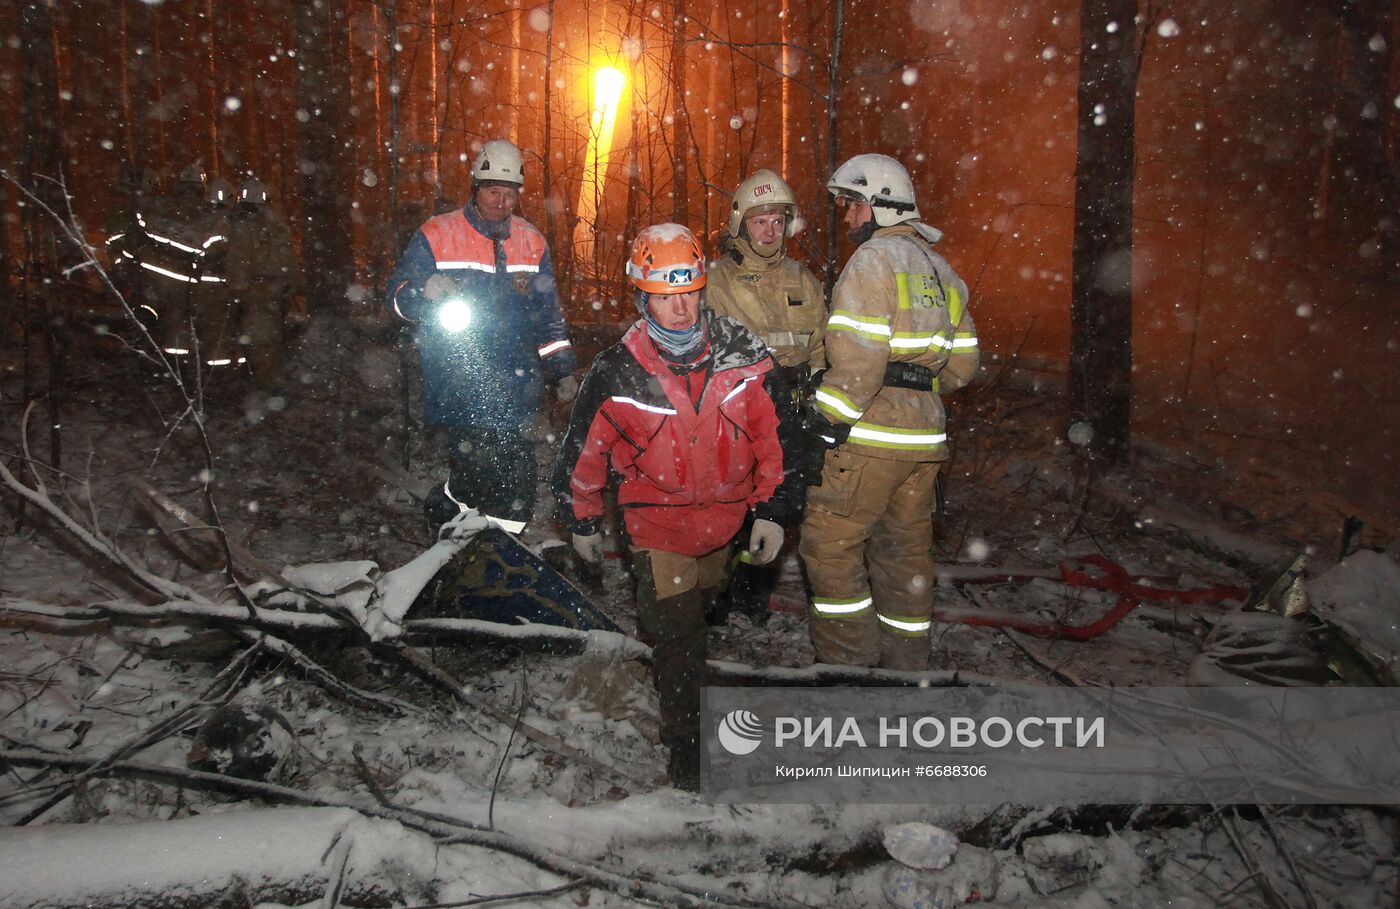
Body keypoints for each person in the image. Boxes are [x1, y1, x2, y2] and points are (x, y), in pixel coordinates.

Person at [551, 223, 802, 790]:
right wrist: (581, 517)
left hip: (727, 524)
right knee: (679, 641)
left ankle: (688, 684)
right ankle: (689, 756)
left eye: (689, 292)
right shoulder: (617, 370)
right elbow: (584, 453)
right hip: (655, 527)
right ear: (643, 297)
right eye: (666, 296)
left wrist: (773, 510)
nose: (681, 307)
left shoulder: (746, 354)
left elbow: (778, 441)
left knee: (703, 613)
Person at [800, 154, 979, 672]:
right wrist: (918, 390)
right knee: (905, 559)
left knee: (831, 548)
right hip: (925, 444)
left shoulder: (872, 262)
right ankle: (906, 670)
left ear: (880, 206)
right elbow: (964, 366)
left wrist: (824, 419)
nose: (848, 217)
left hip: (869, 437)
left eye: (853, 206)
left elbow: (857, 361)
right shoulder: (945, 272)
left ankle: (847, 669)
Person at [387, 139, 576, 535]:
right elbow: (396, 299)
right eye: (493, 191)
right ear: (475, 187)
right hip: (459, 380)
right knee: (488, 473)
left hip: (516, 384)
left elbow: (547, 315)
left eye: (509, 193)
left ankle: (493, 544)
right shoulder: (437, 234)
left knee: (508, 479)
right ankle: (469, 542)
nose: (501, 201)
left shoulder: (531, 241)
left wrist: (561, 368)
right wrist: (424, 292)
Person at [706, 169, 827, 625]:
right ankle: (714, 597)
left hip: (792, 408)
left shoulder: (803, 279)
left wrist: (817, 386)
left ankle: (754, 593)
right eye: (760, 222)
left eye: (778, 221)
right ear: (741, 224)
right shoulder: (716, 280)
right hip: (735, 408)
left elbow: (821, 344)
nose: (770, 231)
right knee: (729, 501)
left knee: (777, 500)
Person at [138, 162, 228, 364]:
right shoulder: (206, 216)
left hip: (148, 275)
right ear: (201, 187)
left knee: (149, 319)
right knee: (176, 324)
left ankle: (144, 358)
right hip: (177, 279)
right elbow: (212, 247)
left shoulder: (159, 206)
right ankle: (176, 369)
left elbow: (141, 227)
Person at [227, 178, 302, 389]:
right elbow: (291, 264)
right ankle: (271, 386)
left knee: (259, 345)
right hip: (276, 294)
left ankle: (267, 391)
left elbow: (237, 263)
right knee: (269, 343)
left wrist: (236, 292)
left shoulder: (242, 228)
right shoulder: (278, 227)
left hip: (255, 293)